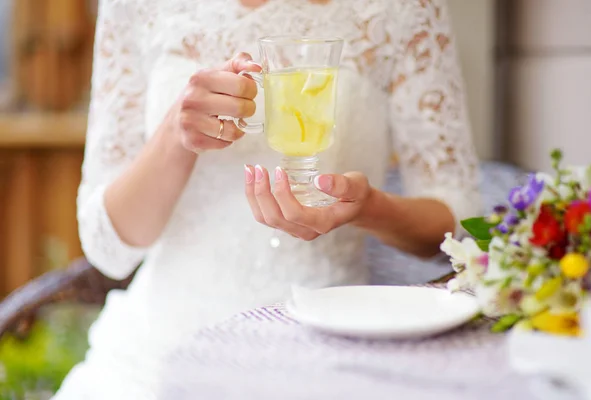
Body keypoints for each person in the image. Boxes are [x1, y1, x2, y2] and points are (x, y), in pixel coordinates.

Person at [54, 0, 481, 398]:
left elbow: (458, 225)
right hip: (155, 360)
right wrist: (176, 136)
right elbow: (108, 248)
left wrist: (369, 209)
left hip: (329, 357)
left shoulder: (404, 9)